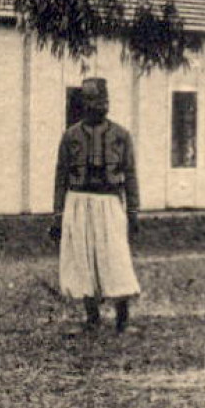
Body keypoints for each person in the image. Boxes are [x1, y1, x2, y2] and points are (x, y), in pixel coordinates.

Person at [51, 77, 141, 333]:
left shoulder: (121, 136)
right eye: (92, 100)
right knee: (83, 257)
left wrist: (133, 212)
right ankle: (92, 318)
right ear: (83, 103)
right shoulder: (70, 137)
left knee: (115, 258)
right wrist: (57, 215)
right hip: (78, 203)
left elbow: (131, 175)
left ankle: (122, 319)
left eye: (103, 100)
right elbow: (60, 178)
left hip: (111, 203)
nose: (99, 106)